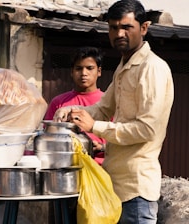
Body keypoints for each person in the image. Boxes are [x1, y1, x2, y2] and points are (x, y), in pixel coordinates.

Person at [53, 0, 174, 223]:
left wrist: (94, 127)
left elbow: (147, 129)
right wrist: (73, 110)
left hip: (136, 189)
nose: (119, 33)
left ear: (144, 28)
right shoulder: (123, 66)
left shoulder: (152, 68)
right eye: (113, 27)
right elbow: (103, 107)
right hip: (113, 184)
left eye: (126, 27)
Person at [44, 46, 106, 164]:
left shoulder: (108, 103)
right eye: (79, 68)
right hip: (66, 166)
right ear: (72, 72)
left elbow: (121, 139)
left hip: (101, 168)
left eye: (89, 68)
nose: (84, 73)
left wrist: (102, 148)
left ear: (99, 71)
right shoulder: (59, 103)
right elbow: (47, 137)